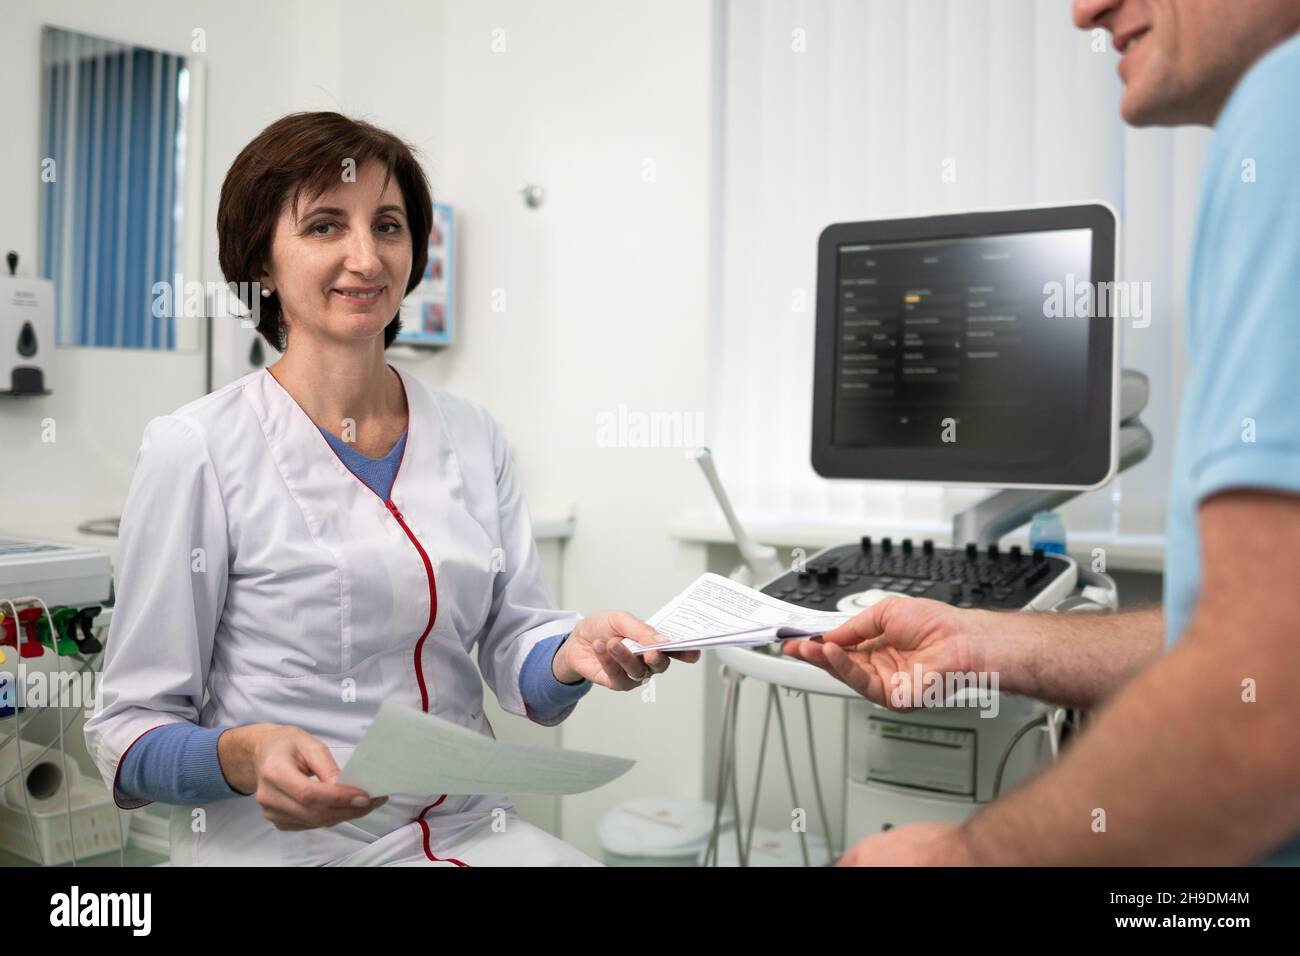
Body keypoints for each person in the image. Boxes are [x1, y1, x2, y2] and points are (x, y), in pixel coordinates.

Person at [84, 112, 696, 866]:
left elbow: (516, 647)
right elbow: (128, 730)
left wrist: (573, 652)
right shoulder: (198, 449)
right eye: (324, 227)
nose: (365, 257)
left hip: (474, 828)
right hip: (289, 848)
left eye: (388, 225)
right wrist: (244, 755)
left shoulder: (473, 436)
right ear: (262, 264)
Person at [783, 0, 1300, 865]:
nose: (1085, 9)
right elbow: (1236, 639)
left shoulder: (1282, 109)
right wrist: (981, 638)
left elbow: (1265, 699)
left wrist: (966, 858)